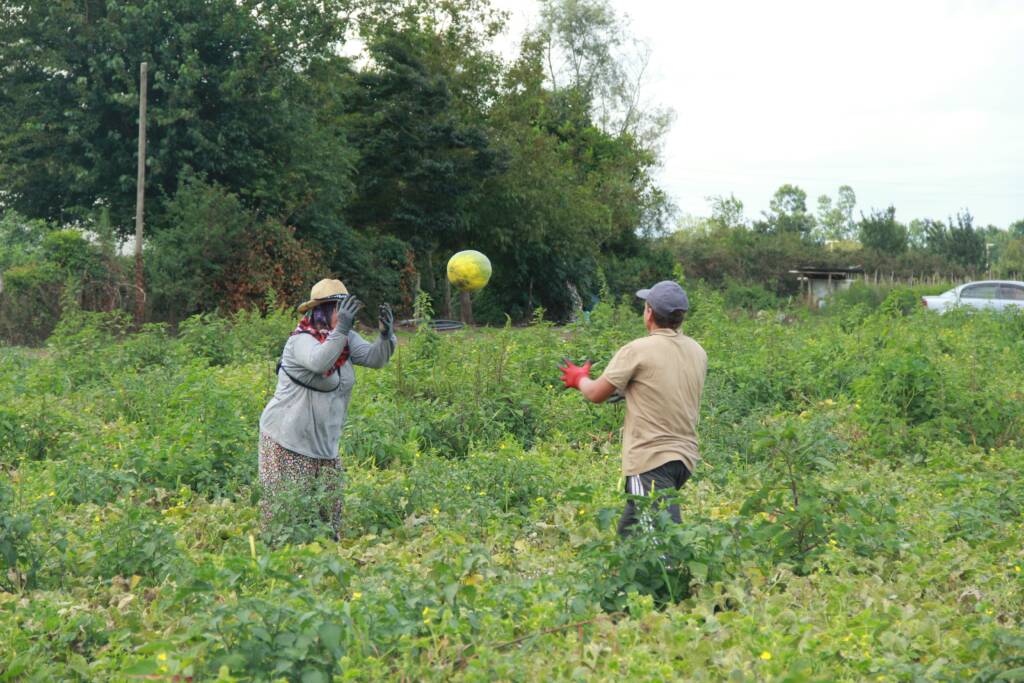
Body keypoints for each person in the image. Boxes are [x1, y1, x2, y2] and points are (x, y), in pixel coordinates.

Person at [558, 281, 707, 537]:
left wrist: (579, 378)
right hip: (684, 458)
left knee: (662, 539)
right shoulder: (697, 351)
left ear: (649, 312)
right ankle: (622, 575)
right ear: (680, 317)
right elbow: (662, 386)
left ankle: (676, 573)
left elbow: (595, 394)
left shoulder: (638, 349)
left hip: (651, 459)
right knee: (630, 535)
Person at [258, 278, 397, 536]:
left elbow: (375, 359)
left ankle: (325, 566)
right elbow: (321, 362)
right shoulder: (300, 342)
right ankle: (280, 567)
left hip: (324, 443)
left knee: (328, 516)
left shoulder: (344, 339)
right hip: (289, 440)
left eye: (347, 309)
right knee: (288, 515)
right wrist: (341, 330)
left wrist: (386, 335)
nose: (345, 315)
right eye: (338, 308)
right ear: (321, 311)